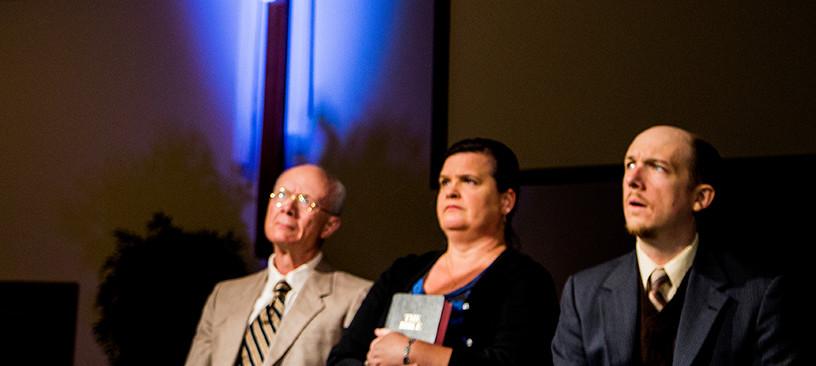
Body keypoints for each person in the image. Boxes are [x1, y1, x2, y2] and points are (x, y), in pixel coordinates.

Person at [550, 125, 795, 366]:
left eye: (658, 167)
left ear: (700, 198)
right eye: (630, 164)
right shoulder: (582, 294)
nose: (633, 179)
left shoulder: (758, 296)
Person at [328, 139, 558, 366]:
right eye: (445, 182)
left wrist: (414, 352)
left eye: (469, 181)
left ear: (506, 201)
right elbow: (343, 356)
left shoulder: (526, 280)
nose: (451, 192)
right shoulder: (403, 271)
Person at [184, 164, 372, 366]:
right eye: (282, 194)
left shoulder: (357, 298)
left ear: (328, 226)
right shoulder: (224, 296)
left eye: (305, 200)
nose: (288, 208)